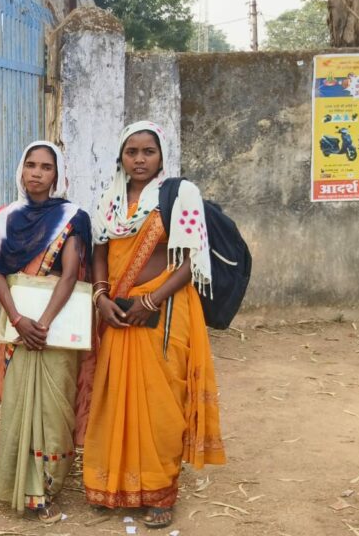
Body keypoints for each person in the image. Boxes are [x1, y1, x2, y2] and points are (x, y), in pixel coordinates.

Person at [83, 121, 225, 529]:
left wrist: (151, 300)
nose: (140, 159)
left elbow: (191, 258)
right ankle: (114, 485)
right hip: (117, 311)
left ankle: (161, 491)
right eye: (132, 152)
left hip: (165, 311)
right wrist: (101, 297)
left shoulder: (179, 194)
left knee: (161, 400)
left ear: (161, 156)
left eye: (148, 151)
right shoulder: (109, 199)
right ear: (121, 156)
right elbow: (100, 251)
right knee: (115, 397)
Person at [0, 141, 91, 523]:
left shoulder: (72, 217)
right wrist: (18, 320)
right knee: (17, 403)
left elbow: (70, 274)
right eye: (31, 165)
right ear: (21, 170)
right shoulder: (5, 217)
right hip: (19, 326)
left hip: (55, 329)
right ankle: (21, 487)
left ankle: (46, 487)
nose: (37, 173)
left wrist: (42, 324)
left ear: (57, 174)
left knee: (54, 408)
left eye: (46, 167)